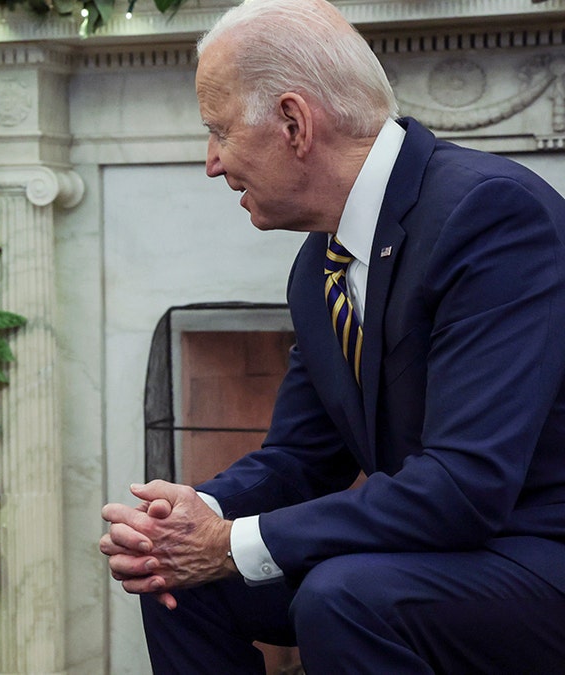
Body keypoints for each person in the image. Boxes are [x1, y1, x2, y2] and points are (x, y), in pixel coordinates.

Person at [99, 0, 565, 672]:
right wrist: (195, 515)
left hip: (536, 553)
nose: (210, 162)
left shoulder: (490, 215)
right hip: (439, 551)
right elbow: (300, 457)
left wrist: (230, 541)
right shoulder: (321, 263)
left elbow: (466, 485)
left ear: (294, 122)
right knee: (174, 578)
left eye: (219, 131)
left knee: (342, 595)